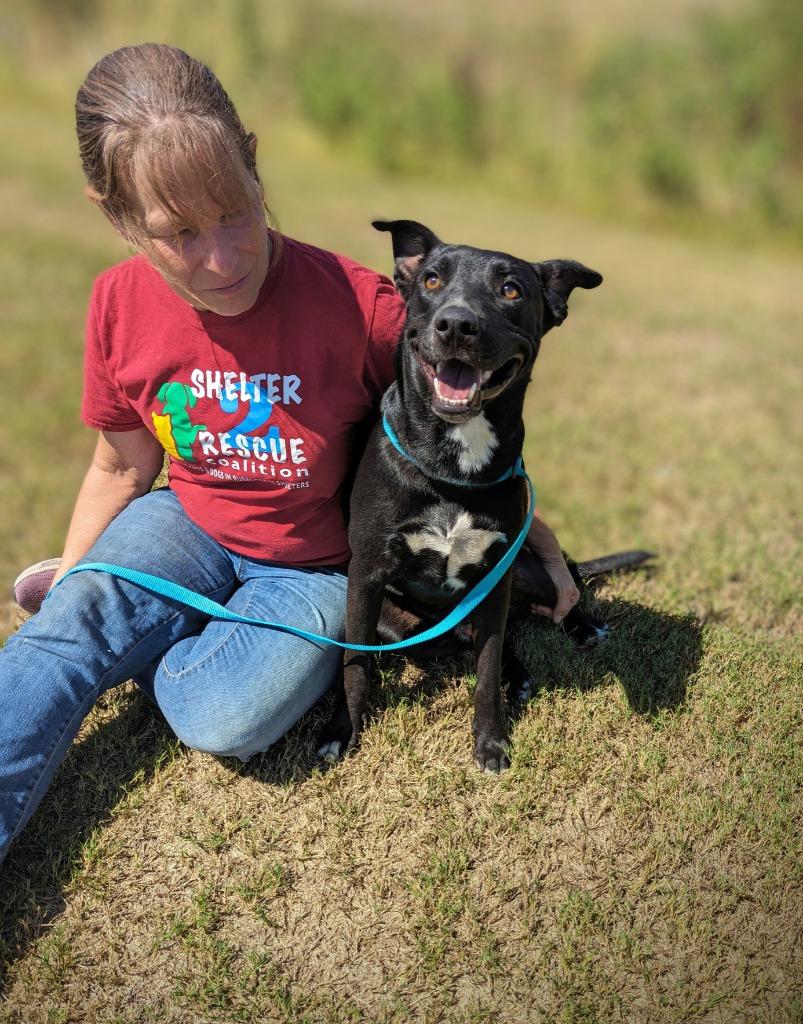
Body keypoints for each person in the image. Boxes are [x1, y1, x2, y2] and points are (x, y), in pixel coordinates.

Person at [0, 43, 579, 864]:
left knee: (223, 716)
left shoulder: (364, 307)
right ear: (116, 218)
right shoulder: (116, 303)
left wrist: (539, 545)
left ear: (253, 160)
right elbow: (121, 466)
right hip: (183, 522)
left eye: (235, 211)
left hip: (311, 571)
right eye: (179, 234)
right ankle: (105, 610)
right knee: (63, 638)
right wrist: (77, 578)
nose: (223, 257)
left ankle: (155, 634)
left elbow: (449, 447)